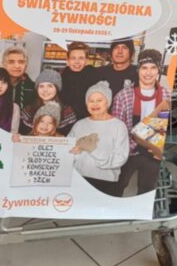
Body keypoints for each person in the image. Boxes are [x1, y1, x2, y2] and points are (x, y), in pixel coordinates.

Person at [112, 48, 171, 195]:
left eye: (153, 68)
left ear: (158, 70)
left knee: (147, 188)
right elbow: (117, 130)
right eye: (144, 68)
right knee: (117, 184)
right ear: (138, 70)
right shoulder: (123, 96)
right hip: (129, 150)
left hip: (153, 151)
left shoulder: (166, 95)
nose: (148, 72)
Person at [67, 80, 130, 196]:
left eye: (99, 100)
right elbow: (67, 152)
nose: (95, 104)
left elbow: (120, 158)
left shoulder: (119, 126)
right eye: (91, 101)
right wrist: (74, 152)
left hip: (106, 182)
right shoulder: (79, 124)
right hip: (78, 178)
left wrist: (94, 150)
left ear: (108, 102)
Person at [20, 68, 77, 135]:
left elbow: (70, 137)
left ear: (57, 88)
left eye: (50, 86)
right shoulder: (28, 110)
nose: (45, 90)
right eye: (41, 86)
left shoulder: (67, 112)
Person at [58, 41, 96, 120]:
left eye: (81, 58)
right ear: (68, 61)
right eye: (73, 58)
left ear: (86, 61)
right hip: (65, 121)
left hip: (87, 121)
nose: (77, 61)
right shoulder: (61, 78)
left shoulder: (94, 77)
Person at [3, 44, 37, 111]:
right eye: (11, 62)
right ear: (4, 64)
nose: (17, 66)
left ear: (26, 65)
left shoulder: (34, 88)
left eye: (21, 62)